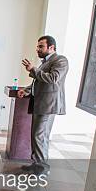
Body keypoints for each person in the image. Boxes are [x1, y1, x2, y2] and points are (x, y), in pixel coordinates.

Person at [17, 35, 69, 174]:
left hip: (48, 105)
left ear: (51, 47)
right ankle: (36, 164)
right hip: (39, 103)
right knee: (36, 135)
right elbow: (38, 82)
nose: (37, 49)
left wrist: (33, 69)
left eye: (41, 46)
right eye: (38, 46)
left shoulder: (60, 60)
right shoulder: (45, 62)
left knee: (40, 136)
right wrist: (27, 90)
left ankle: (42, 168)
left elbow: (53, 79)